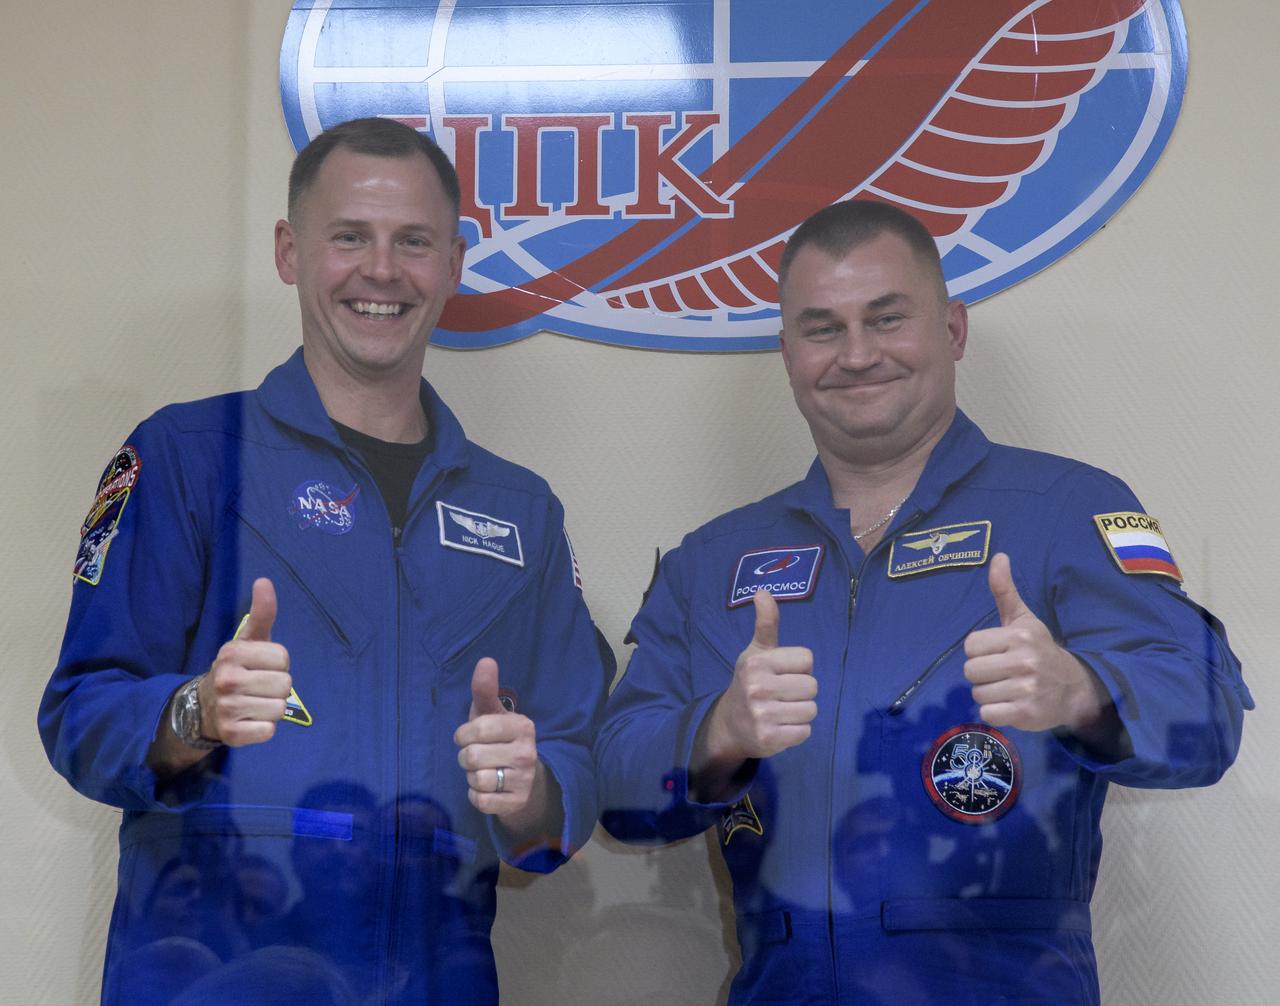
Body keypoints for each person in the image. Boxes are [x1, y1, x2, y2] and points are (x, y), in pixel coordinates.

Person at [595, 200, 1252, 1005]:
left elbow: (1209, 713)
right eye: (822, 328)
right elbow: (619, 794)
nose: (857, 354)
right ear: (788, 351)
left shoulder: (1066, 511)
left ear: (953, 330)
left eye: (887, 318)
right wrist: (717, 733)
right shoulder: (714, 560)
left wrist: (1081, 691)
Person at [40, 117, 611, 1005]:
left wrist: (531, 791)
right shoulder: (190, 456)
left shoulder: (520, 511)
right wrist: (195, 709)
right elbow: (79, 717)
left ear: (454, 264)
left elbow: (572, 763)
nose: (382, 271)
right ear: (289, 250)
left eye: (413, 242)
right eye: (350, 236)